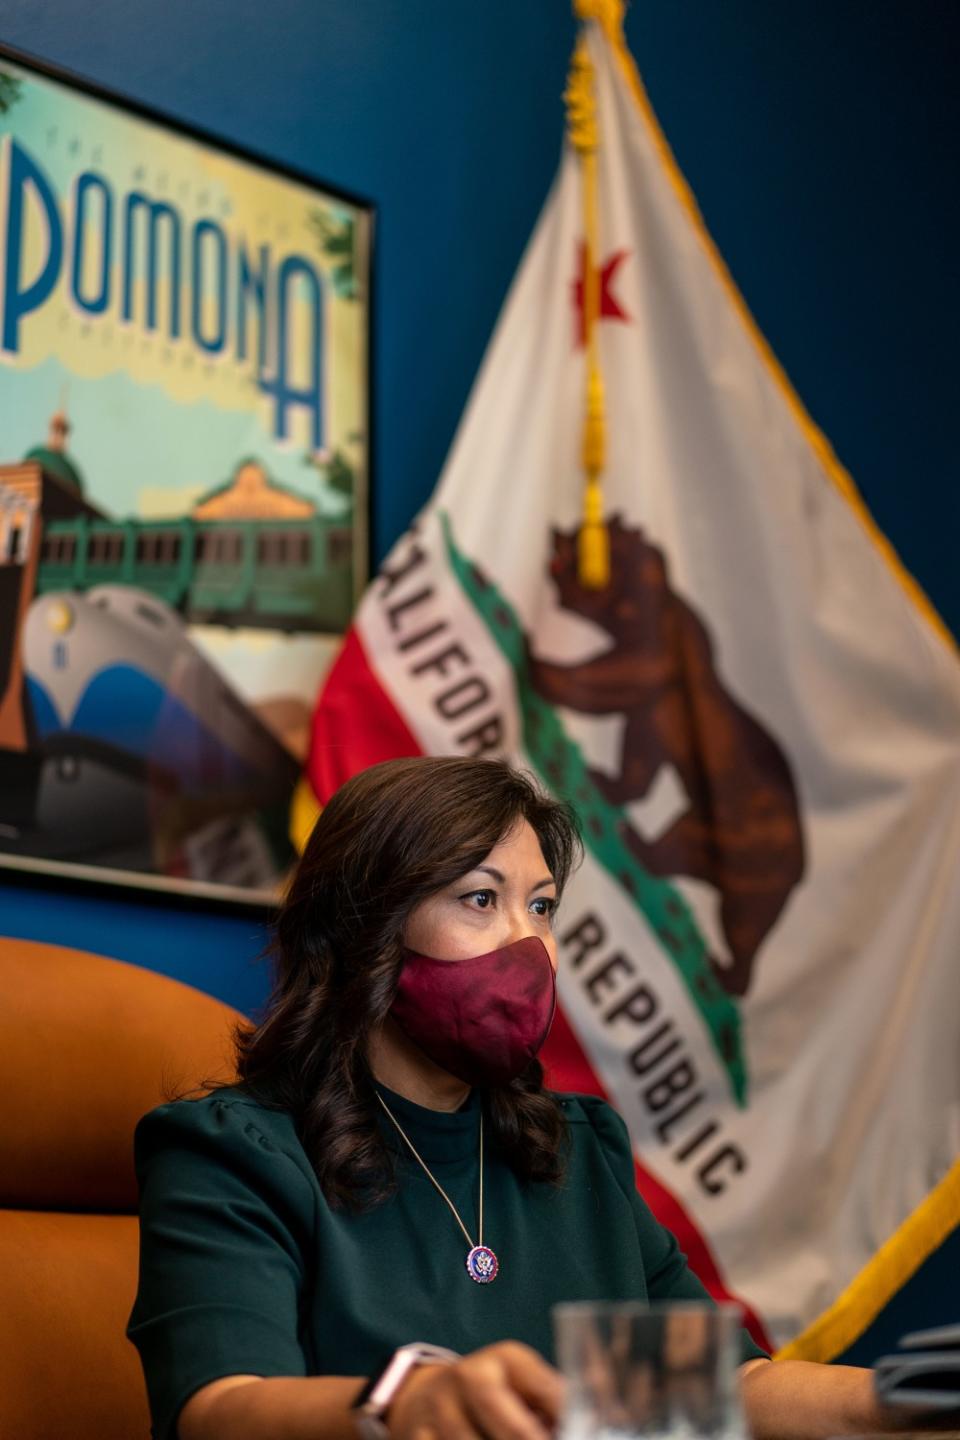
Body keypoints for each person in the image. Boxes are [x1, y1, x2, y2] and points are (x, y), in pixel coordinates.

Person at [129, 756, 904, 1440]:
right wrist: (407, 1404)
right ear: (363, 931)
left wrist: (900, 1403)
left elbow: (725, 1388)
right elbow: (223, 1409)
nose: (526, 945)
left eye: (541, 907)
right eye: (479, 899)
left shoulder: (573, 1151)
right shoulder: (233, 1151)